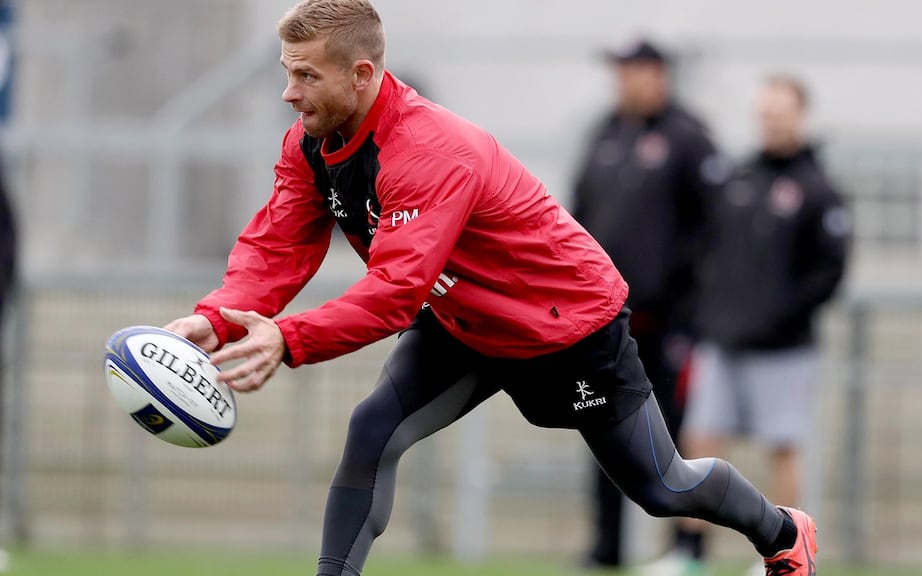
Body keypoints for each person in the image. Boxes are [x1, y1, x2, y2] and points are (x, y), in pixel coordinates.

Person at [164, 3, 818, 575]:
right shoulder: (309, 145)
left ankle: (784, 534)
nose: (289, 91)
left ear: (362, 74)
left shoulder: (426, 149)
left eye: (306, 74)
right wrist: (217, 318)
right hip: (462, 321)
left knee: (664, 486)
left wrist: (288, 336)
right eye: (287, 70)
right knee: (372, 429)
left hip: (565, 329)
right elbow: (276, 245)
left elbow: (394, 290)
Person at [680, 74, 850, 573]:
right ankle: (690, 553)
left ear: (800, 115)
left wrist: (779, 318)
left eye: (781, 111)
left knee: (783, 445)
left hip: (783, 348)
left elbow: (829, 271)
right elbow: (706, 252)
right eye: (765, 112)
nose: (771, 121)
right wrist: (708, 314)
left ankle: (782, 553)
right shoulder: (738, 180)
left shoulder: (818, 188)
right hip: (721, 340)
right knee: (701, 439)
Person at [571, 37, 718, 572]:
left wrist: (694, 307)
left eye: (630, 71)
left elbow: (713, 231)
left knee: (679, 434)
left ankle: (688, 551)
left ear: (657, 74)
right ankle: (606, 547)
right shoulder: (604, 134)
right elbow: (577, 220)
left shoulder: (690, 139)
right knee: (601, 425)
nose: (621, 81)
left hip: (670, 324)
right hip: (607, 325)